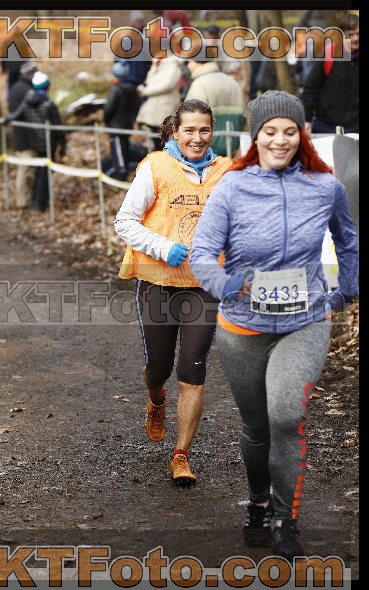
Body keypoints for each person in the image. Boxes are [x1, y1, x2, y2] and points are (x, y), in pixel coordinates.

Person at [189, 90, 359, 559]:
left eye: (289, 131)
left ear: (302, 134)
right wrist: (226, 285)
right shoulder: (232, 187)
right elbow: (202, 252)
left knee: (286, 415)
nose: (280, 140)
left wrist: (347, 289)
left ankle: (286, 517)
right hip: (244, 327)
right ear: (255, 136)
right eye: (270, 131)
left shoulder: (325, 187)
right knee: (257, 426)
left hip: (305, 321)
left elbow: (347, 240)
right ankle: (259, 501)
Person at [114, 99, 232, 485]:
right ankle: (156, 398)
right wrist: (163, 247)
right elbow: (125, 221)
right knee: (159, 368)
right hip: (159, 281)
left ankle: (181, 455)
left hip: (203, 285)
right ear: (176, 132)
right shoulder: (156, 167)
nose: (197, 138)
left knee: (191, 372)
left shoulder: (227, 171)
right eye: (189, 130)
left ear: (213, 131)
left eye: (204, 130)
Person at [5, 71, 66, 212]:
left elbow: (16, 114)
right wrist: (63, 144)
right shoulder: (48, 103)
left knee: (39, 172)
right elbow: (58, 126)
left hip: (35, 142)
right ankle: (40, 203)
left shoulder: (28, 100)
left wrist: (7, 119)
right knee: (45, 174)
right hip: (48, 143)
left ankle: (36, 199)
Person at [300, 13, 359, 134]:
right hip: (325, 126)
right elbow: (311, 87)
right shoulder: (329, 54)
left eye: (358, 34)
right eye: (351, 35)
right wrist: (307, 119)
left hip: (355, 127)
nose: (355, 38)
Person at [185, 59, 245, 156]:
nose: (188, 66)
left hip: (207, 148)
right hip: (233, 144)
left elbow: (190, 117)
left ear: (198, 61)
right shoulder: (232, 82)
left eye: (190, 62)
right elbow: (243, 115)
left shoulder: (199, 84)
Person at [8, 60, 39, 209]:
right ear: (30, 73)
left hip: (20, 136)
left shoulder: (15, 87)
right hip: (27, 138)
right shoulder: (26, 90)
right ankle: (24, 202)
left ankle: (24, 200)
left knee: (25, 170)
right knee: (26, 171)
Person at [136, 56, 182, 151]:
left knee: (163, 139)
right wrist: (154, 65)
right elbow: (149, 80)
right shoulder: (157, 63)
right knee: (155, 139)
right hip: (153, 108)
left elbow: (167, 85)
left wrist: (146, 91)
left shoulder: (173, 65)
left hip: (163, 108)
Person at [102, 61, 138, 181]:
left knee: (118, 150)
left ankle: (121, 173)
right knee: (124, 148)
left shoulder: (116, 90)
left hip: (116, 126)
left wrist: (106, 120)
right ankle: (123, 170)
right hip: (127, 124)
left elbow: (109, 108)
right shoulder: (132, 90)